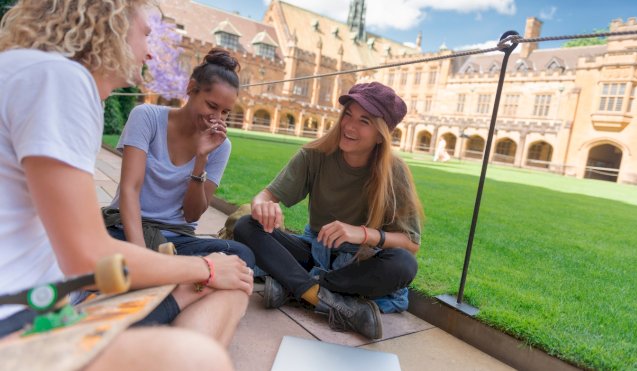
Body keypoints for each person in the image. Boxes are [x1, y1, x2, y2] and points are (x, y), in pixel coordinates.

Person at [0, 1, 250, 369]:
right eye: (146, 33)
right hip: (20, 326)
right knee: (203, 350)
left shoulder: (39, 71)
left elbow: (190, 214)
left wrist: (201, 159)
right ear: (110, 24)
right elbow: (87, 252)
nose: (149, 50)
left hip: (47, 302)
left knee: (234, 282)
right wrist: (205, 270)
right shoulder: (61, 79)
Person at [234, 82, 423, 339]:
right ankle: (323, 298)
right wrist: (263, 206)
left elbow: (410, 242)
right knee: (246, 226)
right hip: (315, 252)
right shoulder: (315, 154)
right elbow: (265, 196)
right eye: (348, 114)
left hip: (359, 263)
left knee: (403, 265)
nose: (349, 126)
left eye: (364, 121)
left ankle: (294, 287)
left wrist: (362, 234)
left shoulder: (394, 172)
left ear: (381, 134)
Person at [104, 47, 256, 287]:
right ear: (190, 88)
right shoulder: (147, 117)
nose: (217, 118)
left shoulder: (221, 146)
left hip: (177, 239)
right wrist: (141, 257)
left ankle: (170, 273)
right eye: (211, 105)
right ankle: (177, 275)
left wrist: (201, 159)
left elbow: (192, 215)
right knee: (106, 252)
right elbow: (129, 190)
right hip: (127, 228)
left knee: (243, 256)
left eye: (225, 112)